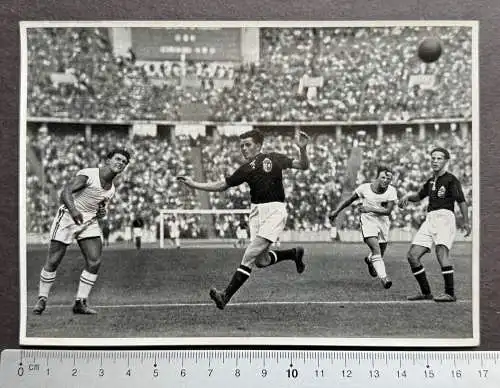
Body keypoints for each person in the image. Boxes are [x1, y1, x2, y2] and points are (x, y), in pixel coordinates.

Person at [177, 128, 309, 310]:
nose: (244, 149)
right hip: (256, 212)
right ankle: (293, 253)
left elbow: (303, 166)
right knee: (260, 261)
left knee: (248, 256)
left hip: (275, 210)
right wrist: (194, 184)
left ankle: (225, 296)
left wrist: (302, 149)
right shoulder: (245, 169)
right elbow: (223, 185)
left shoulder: (274, 158)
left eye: (247, 145)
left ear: (258, 145)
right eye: (241, 146)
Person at [33, 149, 131, 315]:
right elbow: (65, 192)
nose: (120, 163)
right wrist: (73, 210)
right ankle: (42, 298)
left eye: (124, 162)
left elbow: (100, 208)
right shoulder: (89, 174)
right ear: (108, 160)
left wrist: (102, 212)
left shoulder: (112, 189)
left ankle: (80, 302)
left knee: (95, 261)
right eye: (118, 159)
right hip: (68, 218)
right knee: (54, 260)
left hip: (89, 222)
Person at [399, 147, 471, 302]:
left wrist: (466, 222)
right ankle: (426, 293)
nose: (435, 161)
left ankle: (450, 293)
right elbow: (419, 196)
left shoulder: (451, 179)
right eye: (433, 158)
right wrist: (407, 197)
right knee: (412, 256)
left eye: (439, 158)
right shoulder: (431, 180)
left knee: (441, 252)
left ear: (446, 161)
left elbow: (462, 201)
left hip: (445, 217)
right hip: (430, 219)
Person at [329, 166, 398, 289]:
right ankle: (384, 278)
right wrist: (336, 211)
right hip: (368, 221)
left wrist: (370, 208)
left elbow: (388, 211)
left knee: (380, 253)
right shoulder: (364, 188)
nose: (385, 180)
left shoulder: (391, 191)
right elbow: (348, 200)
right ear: (376, 177)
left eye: (388, 178)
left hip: (383, 222)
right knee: (376, 249)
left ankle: (370, 259)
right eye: (383, 177)